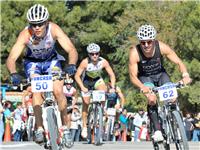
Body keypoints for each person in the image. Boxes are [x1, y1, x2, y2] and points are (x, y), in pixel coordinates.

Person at [6, 4, 78, 144]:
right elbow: (11, 58)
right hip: (33, 63)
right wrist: (13, 73)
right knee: (36, 89)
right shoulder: (25, 34)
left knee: (58, 90)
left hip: (52, 61)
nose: (37, 27)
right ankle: (39, 128)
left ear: (46, 22)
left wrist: (71, 64)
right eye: (33, 24)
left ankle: (65, 127)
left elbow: (71, 50)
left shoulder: (54, 29)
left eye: (40, 24)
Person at [129, 24, 192, 142]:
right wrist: (142, 87)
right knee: (152, 99)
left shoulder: (162, 47)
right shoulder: (134, 53)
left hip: (160, 75)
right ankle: (157, 130)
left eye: (149, 42)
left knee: (173, 97)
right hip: (145, 78)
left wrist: (185, 75)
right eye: (143, 42)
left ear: (153, 40)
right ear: (140, 42)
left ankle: (175, 122)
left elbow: (179, 62)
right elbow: (133, 76)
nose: (146, 45)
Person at [75, 43, 116, 138]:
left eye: (97, 53)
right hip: (86, 82)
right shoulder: (85, 62)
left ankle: (100, 110)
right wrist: (82, 87)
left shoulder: (103, 62)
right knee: (86, 103)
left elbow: (112, 75)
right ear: (89, 54)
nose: (95, 56)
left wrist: (113, 87)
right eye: (92, 54)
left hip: (97, 80)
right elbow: (77, 76)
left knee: (103, 89)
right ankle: (85, 126)